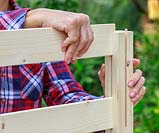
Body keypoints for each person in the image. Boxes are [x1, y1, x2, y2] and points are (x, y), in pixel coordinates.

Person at [0, 0, 146, 114]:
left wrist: (112, 103)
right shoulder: (36, 21)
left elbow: (64, 96)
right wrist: (34, 17)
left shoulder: (39, 30)